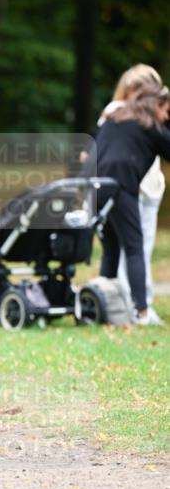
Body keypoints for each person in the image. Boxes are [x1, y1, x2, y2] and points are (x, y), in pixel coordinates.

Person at [93, 80, 170, 325]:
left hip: (95, 186)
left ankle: (103, 305)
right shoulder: (150, 126)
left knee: (111, 248)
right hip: (121, 188)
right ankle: (142, 311)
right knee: (135, 247)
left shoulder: (114, 117)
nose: (166, 116)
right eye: (165, 110)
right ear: (155, 105)